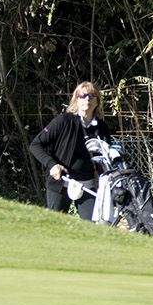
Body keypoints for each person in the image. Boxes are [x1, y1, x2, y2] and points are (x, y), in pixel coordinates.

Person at [29, 81, 111, 220]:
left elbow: (105, 157)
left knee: (92, 229)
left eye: (92, 96)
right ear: (76, 99)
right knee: (55, 226)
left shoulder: (102, 128)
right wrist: (52, 164)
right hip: (61, 182)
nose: (87, 99)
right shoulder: (63, 121)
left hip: (88, 185)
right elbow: (35, 145)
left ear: (97, 101)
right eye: (83, 95)